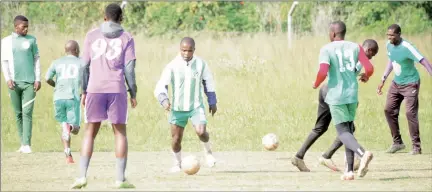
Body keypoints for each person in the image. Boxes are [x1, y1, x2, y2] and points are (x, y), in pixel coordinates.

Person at [71, 3, 137, 189]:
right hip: (116, 88)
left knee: (89, 132)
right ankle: (119, 179)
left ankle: (82, 177)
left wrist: (84, 90)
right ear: (121, 19)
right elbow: (130, 69)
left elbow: (83, 66)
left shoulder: (91, 35)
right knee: (120, 133)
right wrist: (133, 92)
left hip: (94, 88)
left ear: (104, 17)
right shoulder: (127, 37)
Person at [292, 39, 379, 173]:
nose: (371, 58)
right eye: (371, 55)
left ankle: (301, 156)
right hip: (337, 93)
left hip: (328, 90)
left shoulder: (348, 52)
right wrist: (367, 76)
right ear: (368, 50)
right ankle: (355, 155)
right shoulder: (359, 57)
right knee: (346, 130)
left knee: (322, 128)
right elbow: (367, 69)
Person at [312, 20, 374, 180]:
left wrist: (316, 83)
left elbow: (323, 71)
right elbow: (369, 67)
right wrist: (366, 76)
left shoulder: (326, 48)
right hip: (352, 95)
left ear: (332, 33)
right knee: (349, 130)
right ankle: (349, 171)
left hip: (336, 95)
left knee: (343, 131)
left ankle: (362, 153)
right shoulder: (355, 47)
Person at [154, 37, 218, 173]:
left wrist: (212, 101)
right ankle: (177, 163)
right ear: (180, 49)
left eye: (189, 51)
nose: (186, 54)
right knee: (176, 139)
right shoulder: (172, 65)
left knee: (201, 131)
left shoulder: (201, 64)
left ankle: (208, 153)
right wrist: (164, 100)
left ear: (194, 50)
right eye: (184, 50)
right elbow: (160, 86)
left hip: (196, 106)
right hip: (177, 108)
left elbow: (209, 83)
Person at [377, 24, 432, 155]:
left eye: (392, 35)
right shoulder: (388, 45)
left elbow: (423, 61)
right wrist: (383, 79)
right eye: (388, 35)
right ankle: (397, 143)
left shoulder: (407, 47)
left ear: (399, 34)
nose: (389, 37)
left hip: (411, 83)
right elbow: (391, 61)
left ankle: (416, 147)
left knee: (409, 113)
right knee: (388, 109)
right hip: (396, 83)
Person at [1, 15, 41, 154]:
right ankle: (22, 144)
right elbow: (4, 62)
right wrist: (8, 79)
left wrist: (38, 79)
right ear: (16, 26)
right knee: (18, 113)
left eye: (27, 26)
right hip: (13, 84)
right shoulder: (6, 42)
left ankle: (27, 144)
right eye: (23, 27)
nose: (26, 29)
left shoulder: (32, 40)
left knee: (27, 113)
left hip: (29, 82)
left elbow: (36, 60)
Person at [45, 40, 83, 164]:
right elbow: (87, 80)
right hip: (72, 97)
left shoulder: (57, 62)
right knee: (75, 129)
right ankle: (69, 127)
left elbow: (47, 78)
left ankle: (68, 155)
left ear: (66, 51)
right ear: (76, 50)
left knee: (64, 125)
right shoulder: (81, 62)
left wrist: (57, 85)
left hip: (58, 97)